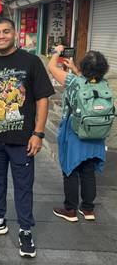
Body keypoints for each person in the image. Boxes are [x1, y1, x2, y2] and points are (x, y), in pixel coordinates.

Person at [0, 17, 55, 259]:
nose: (1, 36)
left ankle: (26, 230)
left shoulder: (31, 62)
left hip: (22, 139)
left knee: (23, 186)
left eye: (6, 31)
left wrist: (38, 133)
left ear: (15, 34)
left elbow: (42, 99)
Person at [47, 45, 109, 222]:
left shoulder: (73, 81)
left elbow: (51, 68)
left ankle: (70, 210)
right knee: (88, 170)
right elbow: (88, 81)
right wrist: (75, 69)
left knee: (71, 169)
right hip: (96, 132)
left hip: (75, 130)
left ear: (84, 66)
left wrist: (57, 52)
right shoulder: (103, 83)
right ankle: (88, 209)